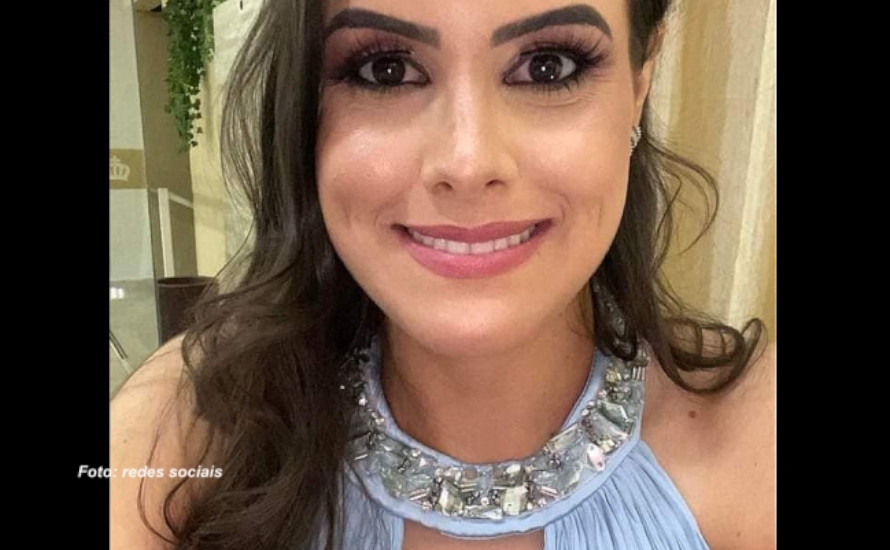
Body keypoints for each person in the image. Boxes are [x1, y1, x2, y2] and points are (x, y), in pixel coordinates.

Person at [111, 0, 776, 549]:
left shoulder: (758, 438)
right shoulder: (191, 419)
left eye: (548, 66)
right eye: (387, 69)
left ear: (639, 84)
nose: (467, 162)